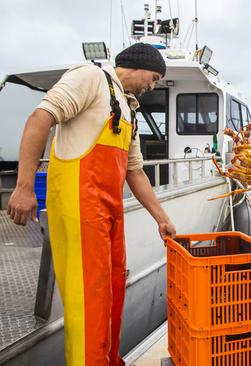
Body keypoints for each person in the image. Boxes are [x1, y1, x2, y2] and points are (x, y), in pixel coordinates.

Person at [7, 42, 176, 366]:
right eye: (153, 78)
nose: (152, 86)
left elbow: (134, 170)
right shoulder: (90, 78)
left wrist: (161, 217)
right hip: (80, 208)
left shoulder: (129, 107)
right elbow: (40, 118)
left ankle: (110, 360)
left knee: (111, 294)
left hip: (109, 214)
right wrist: (25, 187)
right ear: (138, 65)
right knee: (89, 303)